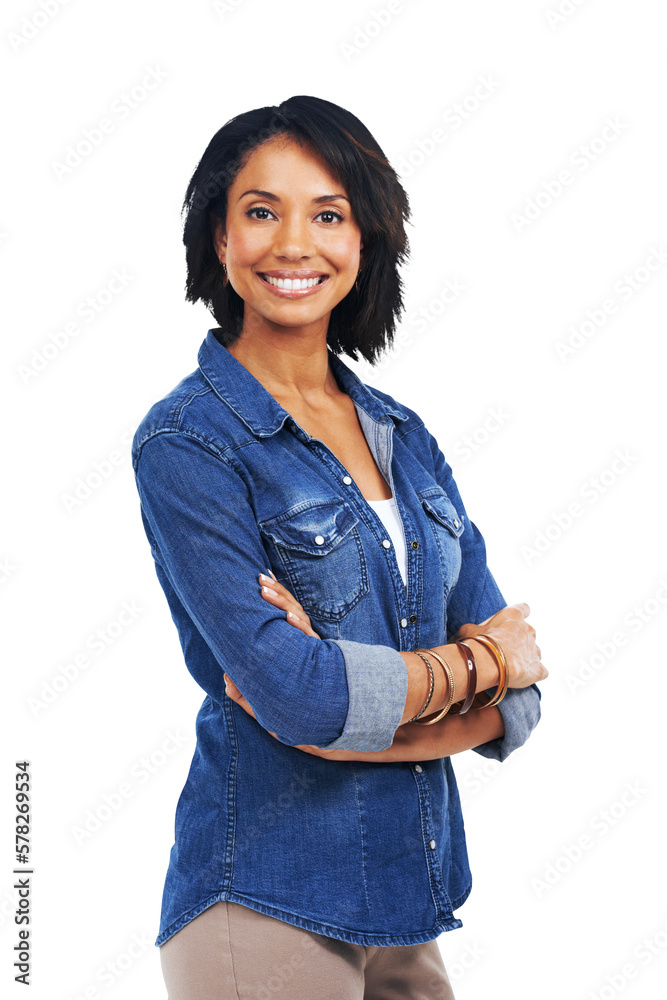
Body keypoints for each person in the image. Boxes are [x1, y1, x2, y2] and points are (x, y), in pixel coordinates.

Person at [131, 94, 547, 1000]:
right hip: (265, 900)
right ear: (219, 240)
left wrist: (354, 717)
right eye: (259, 211)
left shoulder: (405, 435)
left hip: (412, 897)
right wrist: (474, 664)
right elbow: (307, 700)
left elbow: (521, 698)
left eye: (327, 214)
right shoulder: (188, 443)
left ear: (364, 242)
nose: (293, 244)